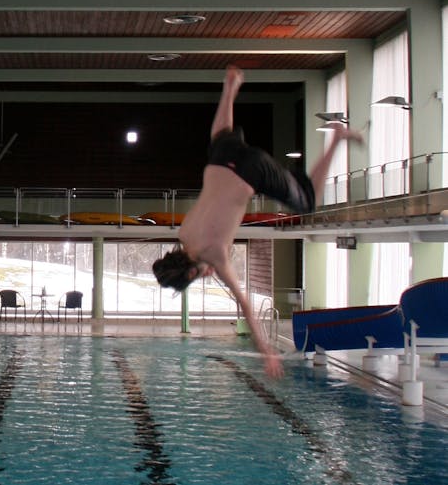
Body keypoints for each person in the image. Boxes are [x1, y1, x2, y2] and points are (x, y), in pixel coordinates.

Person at [152, 65, 362, 379]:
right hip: (222, 160)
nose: (204, 278)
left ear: (192, 271)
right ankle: (230, 88)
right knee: (219, 139)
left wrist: (267, 352)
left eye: (197, 278)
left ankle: (337, 138)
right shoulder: (184, 231)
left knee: (305, 201)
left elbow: (247, 308)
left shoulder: (216, 255)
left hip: (253, 170)